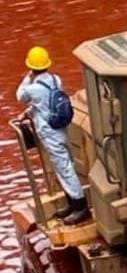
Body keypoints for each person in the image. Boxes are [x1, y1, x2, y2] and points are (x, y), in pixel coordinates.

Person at [16, 46, 90, 225]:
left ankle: (80, 208)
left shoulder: (32, 88)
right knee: (65, 166)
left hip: (50, 134)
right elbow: (45, 104)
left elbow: (20, 95)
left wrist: (27, 76)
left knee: (64, 169)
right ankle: (71, 203)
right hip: (61, 129)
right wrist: (29, 112)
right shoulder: (55, 80)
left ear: (32, 67)